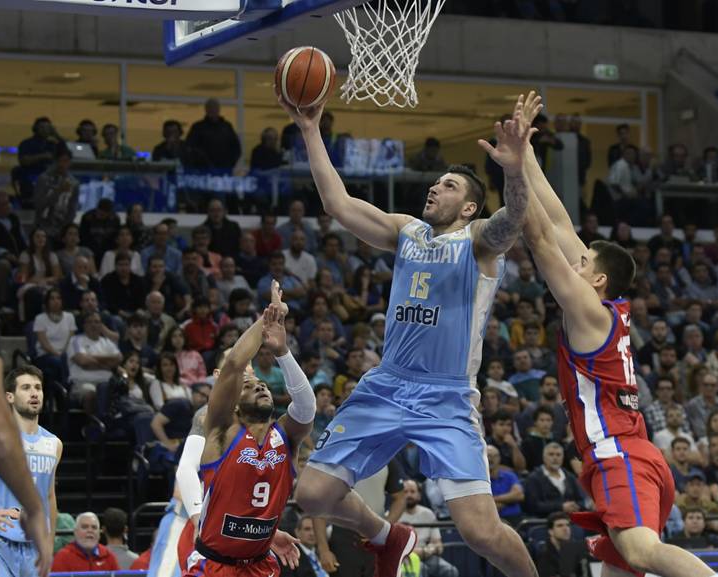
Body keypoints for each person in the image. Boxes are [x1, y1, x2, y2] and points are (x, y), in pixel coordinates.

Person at [281, 92, 538, 577]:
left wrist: (515, 168)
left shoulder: (479, 243)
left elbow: (512, 220)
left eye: (448, 186)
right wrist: (310, 128)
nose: (435, 188)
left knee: (480, 533)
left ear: (468, 208)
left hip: (446, 397)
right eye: (436, 182)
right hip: (387, 385)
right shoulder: (407, 231)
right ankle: (386, 535)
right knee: (311, 494)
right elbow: (337, 203)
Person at [515, 92, 718, 577]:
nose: (574, 261)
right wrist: (525, 151)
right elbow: (562, 221)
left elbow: (542, 238)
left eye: (582, 262)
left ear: (597, 280)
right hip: (639, 453)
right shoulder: (610, 308)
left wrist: (510, 171)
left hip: (618, 454)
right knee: (620, 567)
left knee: (643, 555)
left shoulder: (585, 309)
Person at [181, 281, 309, 577]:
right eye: (248, 384)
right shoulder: (218, 425)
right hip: (212, 558)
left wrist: (265, 532)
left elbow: (305, 406)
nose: (258, 384)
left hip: (259, 562)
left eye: (260, 382)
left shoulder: (281, 434)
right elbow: (235, 364)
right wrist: (269, 318)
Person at [0, 367, 60, 577]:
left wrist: (50, 540)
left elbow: (49, 496)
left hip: (34, 546)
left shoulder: (54, 444)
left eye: (38, 388)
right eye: (26, 388)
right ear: (9, 397)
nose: (34, 393)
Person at [399, 480, 457, 577]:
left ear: (419, 495)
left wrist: (430, 549)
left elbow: (439, 545)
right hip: (404, 558)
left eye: (412, 492)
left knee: (450, 571)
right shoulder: (394, 515)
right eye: (405, 492)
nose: (409, 495)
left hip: (428, 555)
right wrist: (419, 552)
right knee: (421, 570)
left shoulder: (428, 514)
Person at [51, 512, 119, 572]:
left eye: (94, 527)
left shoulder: (109, 557)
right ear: (75, 532)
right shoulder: (62, 557)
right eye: (84, 527)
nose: (90, 530)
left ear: (99, 533)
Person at [534, 512, 588, 577]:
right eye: (560, 526)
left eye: (568, 525)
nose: (565, 529)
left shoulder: (576, 549)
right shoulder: (543, 552)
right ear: (550, 531)